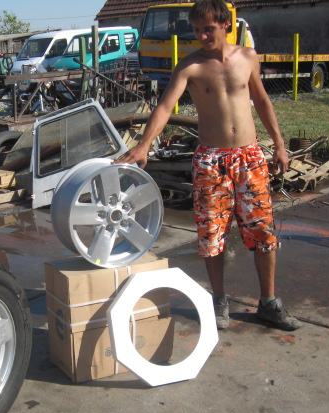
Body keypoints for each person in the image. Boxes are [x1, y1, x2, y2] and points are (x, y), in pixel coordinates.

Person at [116, 0, 300, 331]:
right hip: (211, 161)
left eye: (208, 29)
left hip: (249, 158)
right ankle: (219, 300)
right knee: (212, 234)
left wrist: (280, 145)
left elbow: (261, 101)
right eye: (197, 30)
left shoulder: (247, 58)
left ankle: (269, 303)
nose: (202, 36)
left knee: (263, 231)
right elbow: (164, 107)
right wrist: (143, 146)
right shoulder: (190, 67)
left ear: (226, 25)